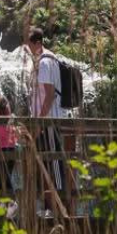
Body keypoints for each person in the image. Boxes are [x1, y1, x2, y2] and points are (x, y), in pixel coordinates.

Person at [26, 28, 66, 213]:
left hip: (49, 120)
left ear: (35, 43)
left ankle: (59, 203)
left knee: (54, 160)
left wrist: (40, 122)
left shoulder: (44, 62)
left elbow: (49, 95)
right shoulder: (52, 58)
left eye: (29, 45)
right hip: (49, 118)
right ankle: (50, 204)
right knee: (47, 160)